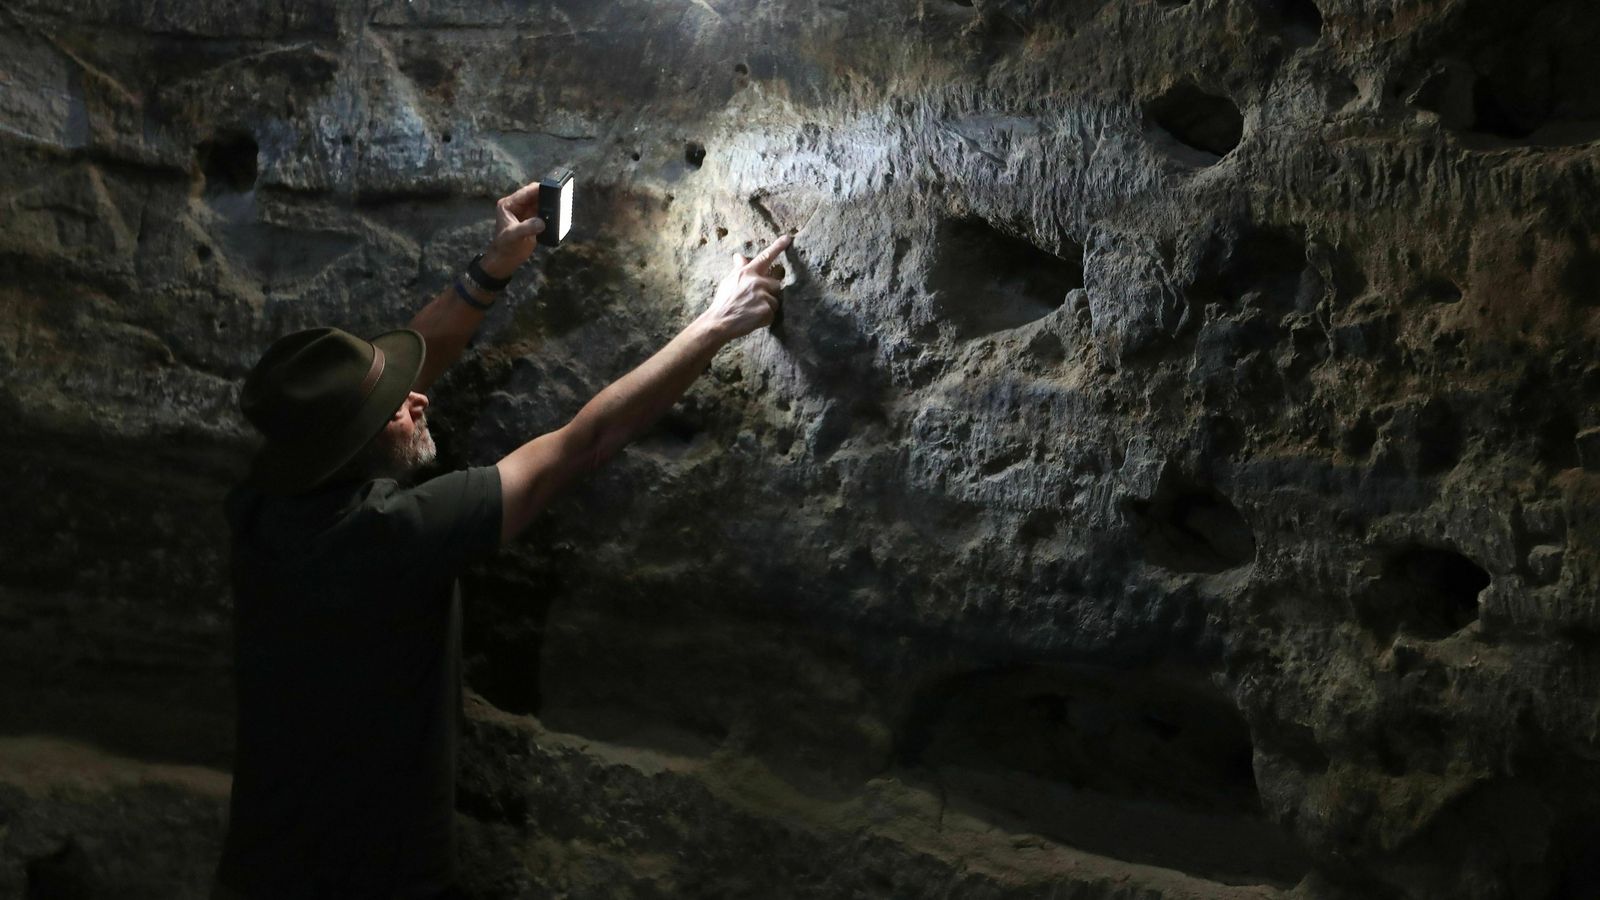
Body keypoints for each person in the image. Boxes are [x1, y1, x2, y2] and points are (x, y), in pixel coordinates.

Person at [213, 177, 791, 899]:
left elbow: (419, 354)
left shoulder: (266, 502)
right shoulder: (390, 536)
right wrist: (715, 324)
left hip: (261, 861)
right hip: (370, 872)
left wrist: (494, 267)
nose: (419, 397)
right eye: (396, 409)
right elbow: (583, 443)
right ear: (351, 448)